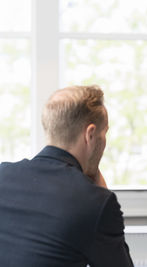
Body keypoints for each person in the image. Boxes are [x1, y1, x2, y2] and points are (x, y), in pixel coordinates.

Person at [0, 85, 133, 267]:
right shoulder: (95, 201)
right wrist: (100, 191)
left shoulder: (3, 175)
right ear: (90, 134)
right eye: (105, 132)